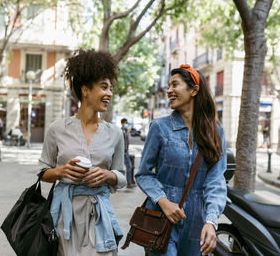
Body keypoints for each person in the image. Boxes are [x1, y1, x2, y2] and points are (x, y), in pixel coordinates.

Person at [38, 49, 126, 256]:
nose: (109, 94)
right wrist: (62, 172)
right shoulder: (57, 129)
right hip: (64, 215)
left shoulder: (115, 133)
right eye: (104, 87)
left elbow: (122, 176)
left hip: (100, 215)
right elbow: (43, 172)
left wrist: (108, 175)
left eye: (110, 88)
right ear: (85, 91)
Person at [135, 64, 227, 256]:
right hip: (162, 217)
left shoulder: (215, 132)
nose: (169, 90)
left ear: (193, 90)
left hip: (197, 221)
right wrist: (163, 201)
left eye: (175, 85)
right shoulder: (159, 128)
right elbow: (143, 174)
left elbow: (216, 181)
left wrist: (211, 220)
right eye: (169, 86)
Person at [121, 118, 136, 188]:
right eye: (126, 123)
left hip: (125, 151)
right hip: (123, 151)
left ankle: (130, 182)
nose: (127, 124)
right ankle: (129, 183)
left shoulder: (125, 131)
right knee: (129, 166)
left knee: (129, 166)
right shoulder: (121, 131)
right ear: (123, 123)